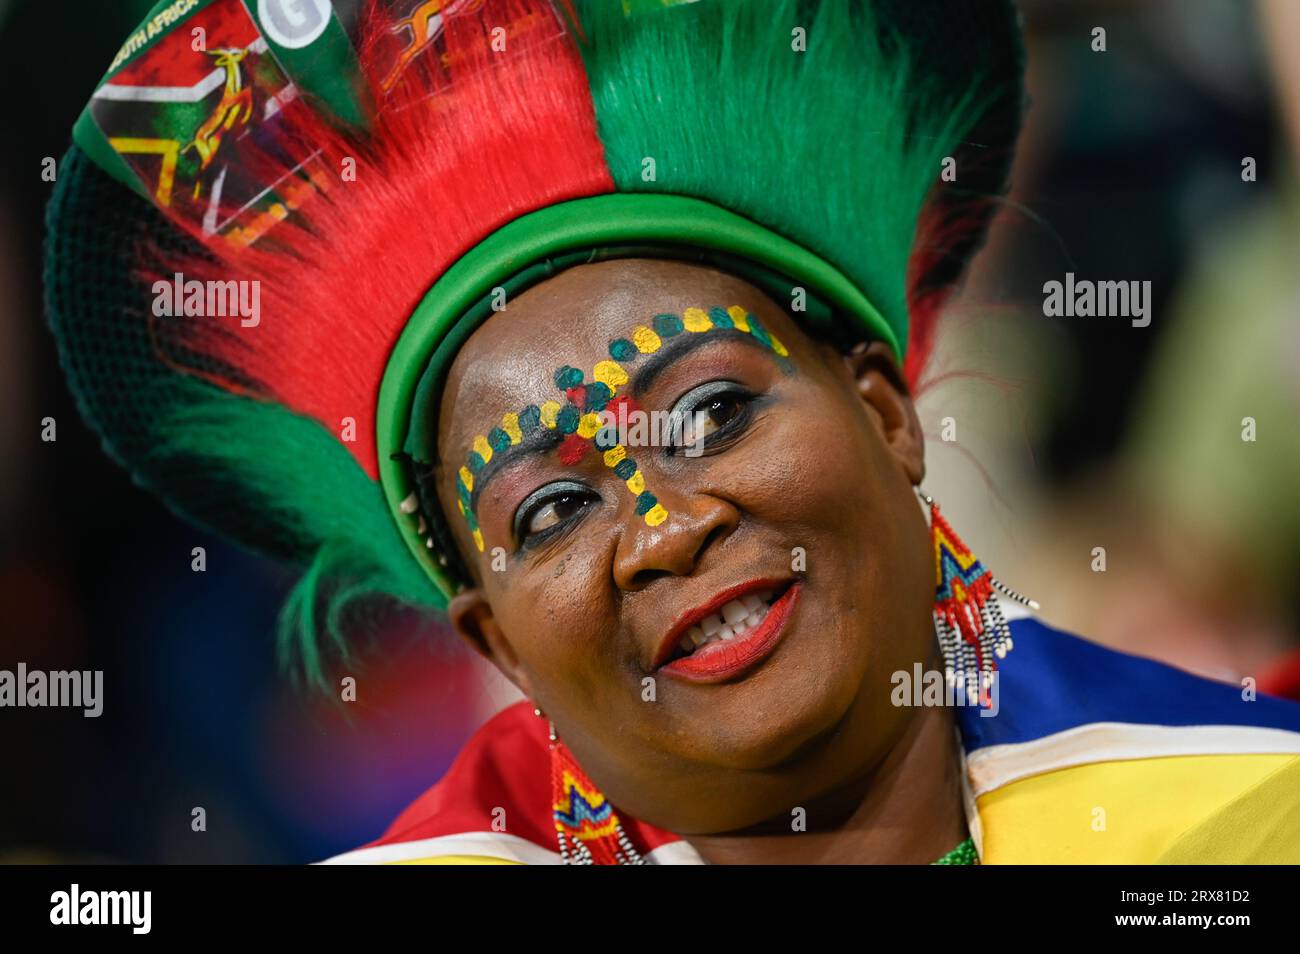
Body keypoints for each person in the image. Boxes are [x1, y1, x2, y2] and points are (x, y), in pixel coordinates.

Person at [45, 0, 1300, 865]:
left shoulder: (1246, 813)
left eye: (711, 411)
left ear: (884, 413)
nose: (665, 529)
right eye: (550, 511)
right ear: (500, 642)